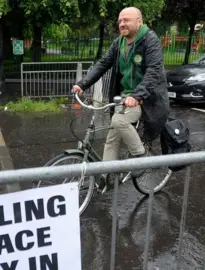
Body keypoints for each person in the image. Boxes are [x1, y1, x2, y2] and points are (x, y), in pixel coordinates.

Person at [72, 7, 170, 192]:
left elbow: (154, 71)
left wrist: (137, 95)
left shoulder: (150, 40)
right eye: (119, 21)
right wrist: (82, 84)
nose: (122, 24)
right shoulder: (120, 42)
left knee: (118, 120)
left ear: (139, 21)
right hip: (125, 97)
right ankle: (106, 177)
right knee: (112, 137)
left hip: (146, 98)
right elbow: (103, 63)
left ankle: (140, 155)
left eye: (126, 20)